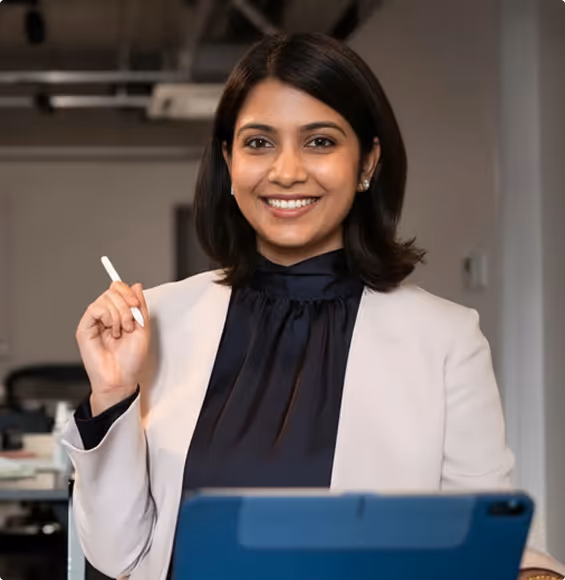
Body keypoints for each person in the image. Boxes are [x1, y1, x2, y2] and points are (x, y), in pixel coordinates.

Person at [62, 33, 565, 580]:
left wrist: (534, 572)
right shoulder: (155, 322)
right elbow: (115, 556)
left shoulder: (445, 339)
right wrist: (113, 394)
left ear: (367, 162)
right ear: (229, 161)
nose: (287, 171)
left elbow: (485, 541)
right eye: (259, 143)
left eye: (320, 142)